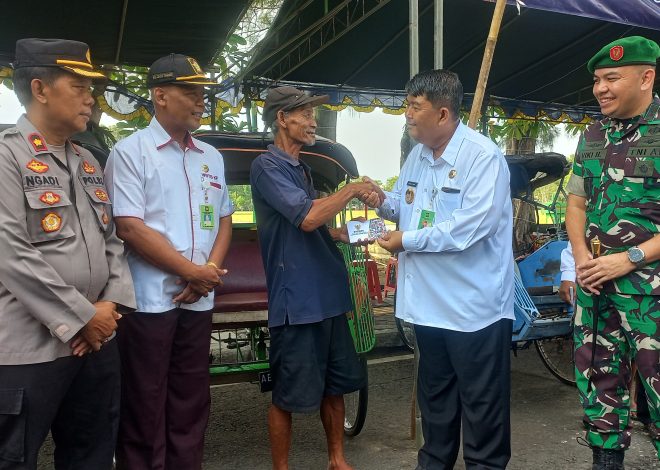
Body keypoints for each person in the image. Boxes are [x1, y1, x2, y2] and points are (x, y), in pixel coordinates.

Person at [0, 38, 136, 470]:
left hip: (96, 342)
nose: (90, 97)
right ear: (39, 89)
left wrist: (108, 308)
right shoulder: (7, 157)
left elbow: (113, 242)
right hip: (30, 348)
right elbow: (11, 253)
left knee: (92, 454)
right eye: (78, 85)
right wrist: (84, 316)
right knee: (14, 459)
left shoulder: (89, 161)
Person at [374, 69, 515, 469]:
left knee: (482, 405)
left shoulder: (482, 156)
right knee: (435, 400)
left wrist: (407, 240)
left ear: (442, 113)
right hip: (429, 306)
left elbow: (470, 228)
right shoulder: (419, 154)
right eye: (407, 106)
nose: (408, 115)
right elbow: (403, 204)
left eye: (415, 107)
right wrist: (380, 199)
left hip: (475, 308)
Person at [105, 54, 234, 470]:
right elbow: (129, 227)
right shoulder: (131, 152)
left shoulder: (210, 156)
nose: (201, 101)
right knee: (145, 398)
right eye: (190, 92)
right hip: (149, 302)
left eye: (203, 93)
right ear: (160, 95)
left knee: (191, 397)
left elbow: (225, 219)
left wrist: (206, 275)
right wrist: (191, 272)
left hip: (198, 298)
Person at [250, 86, 381, 470]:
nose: (312, 122)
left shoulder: (302, 169)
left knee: (336, 386)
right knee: (286, 395)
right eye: (303, 114)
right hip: (298, 303)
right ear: (281, 119)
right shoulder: (267, 166)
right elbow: (306, 217)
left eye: (312, 114)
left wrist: (348, 233)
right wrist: (353, 189)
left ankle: (337, 459)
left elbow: (318, 225)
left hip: (329, 299)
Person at [565, 36, 660, 468]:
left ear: (646, 77)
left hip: (649, 294)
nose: (600, 88)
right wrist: (581, 255)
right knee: (599, 388)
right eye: (597, 80)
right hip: (596, 290)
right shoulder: (594, 134)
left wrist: (631, 258)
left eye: (611, 78)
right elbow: (576, 203)